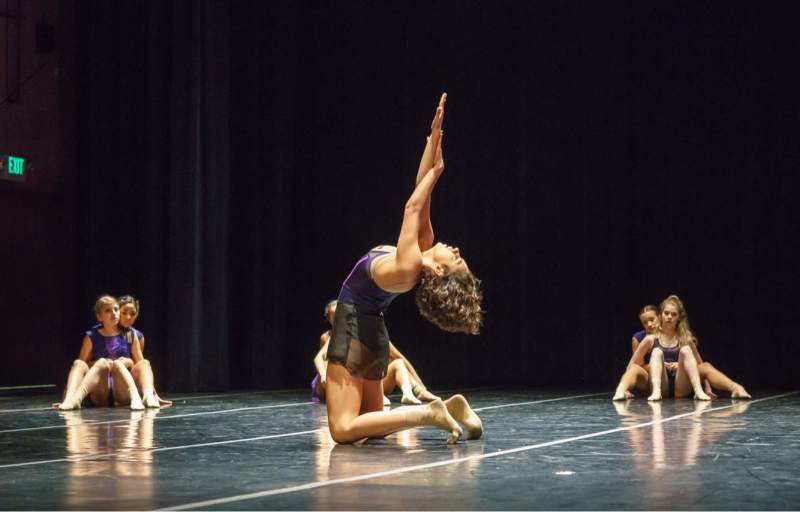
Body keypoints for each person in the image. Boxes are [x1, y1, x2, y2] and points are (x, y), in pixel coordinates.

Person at [325, 93, 483, 444]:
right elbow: (420, 191)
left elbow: (411, 207)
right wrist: (434, 139)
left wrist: (438, 171)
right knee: (370, 424)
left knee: (343, 429)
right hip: (372, 329)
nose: (456, 250)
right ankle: (451, 409)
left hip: (354, 325)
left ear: (439, 272)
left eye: (457, 259)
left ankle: (429, 413)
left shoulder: (410, 263)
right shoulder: (421, 249)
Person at [313, 300, 439, 405]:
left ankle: (410, 393)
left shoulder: (374, 334)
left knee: (398, 363)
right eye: (335, 317)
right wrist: (323, 375)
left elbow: (400, 358)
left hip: (370, 380)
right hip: (344, 384)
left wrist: (420, 384)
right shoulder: (333, 337)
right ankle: (374, 397)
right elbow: (320, 359)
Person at [57, 295, 144, 410]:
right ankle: (71, 399)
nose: (113, 313)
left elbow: (141, 367)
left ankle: (138, 397)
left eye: (116, 309)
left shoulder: (131, 334)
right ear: (99, 317)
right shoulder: (92, 336)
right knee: (79, 363)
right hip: (101, 390)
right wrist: (103, 363)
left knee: (133, 363)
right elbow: (82, 367)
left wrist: (128, 362)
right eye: (108, 311)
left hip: (122, 389)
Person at [118, 295, 172, 407]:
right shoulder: (102, 331)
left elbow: (141, 364)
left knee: (145, 363)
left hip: (126, 383)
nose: (128, 317)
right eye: (124, 313)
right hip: (107, 381)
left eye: (132, 314)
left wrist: (154, 393)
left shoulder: (136, 336)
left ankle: (149, 397)